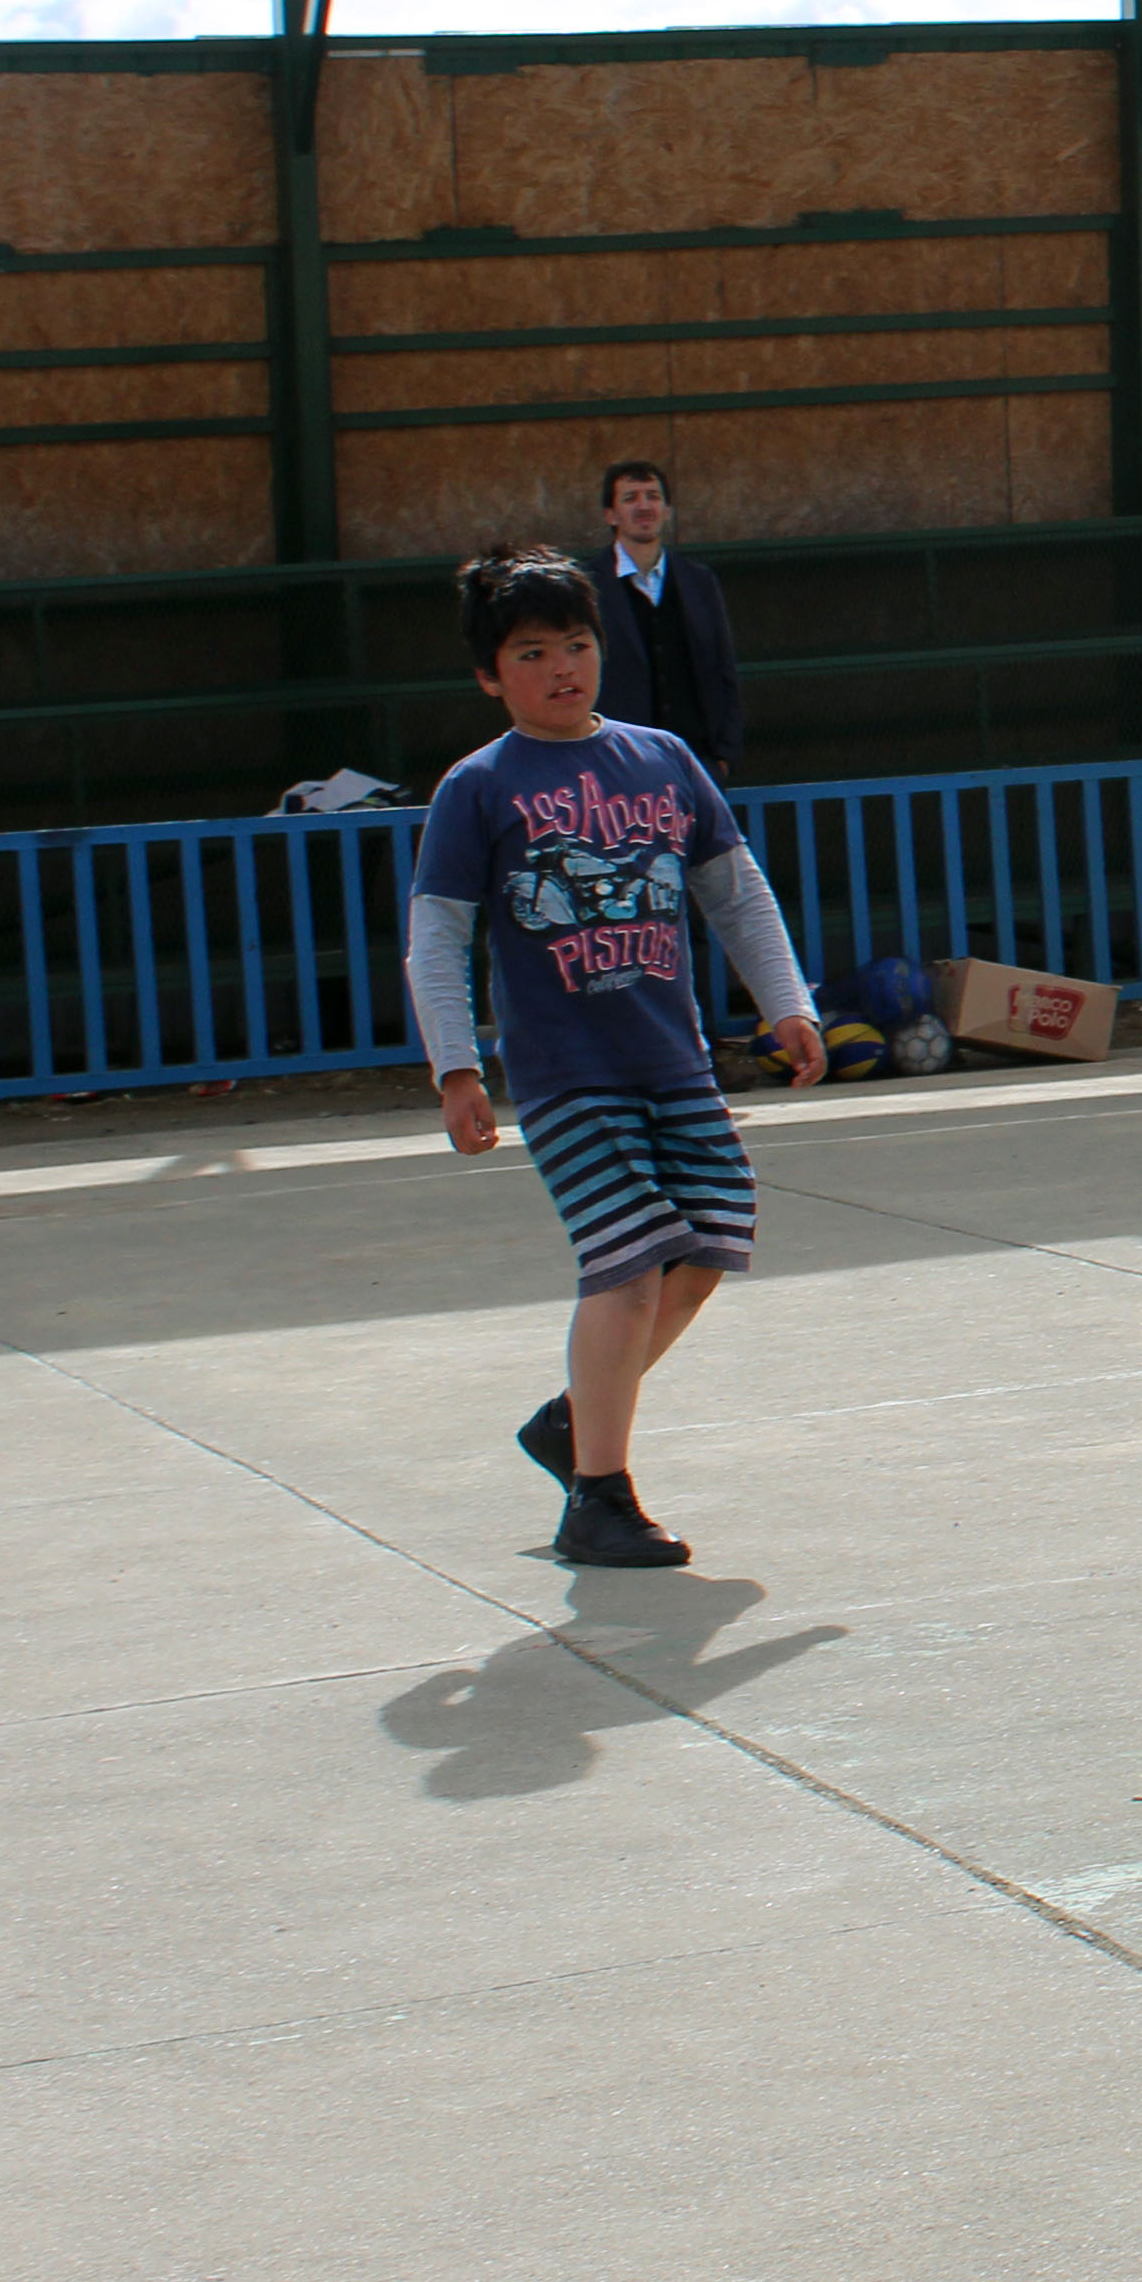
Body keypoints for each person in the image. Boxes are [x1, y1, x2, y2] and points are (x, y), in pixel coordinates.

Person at [404, 545, 826, 1570]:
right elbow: (438, 933)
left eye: (579, 645)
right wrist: (457, 1068)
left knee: (712, 1243)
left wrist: (787, 1003)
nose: (563, 669)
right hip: (567, 1076)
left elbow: (735, 891)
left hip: (672, 1062)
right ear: (489, 675)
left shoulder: (665, 760)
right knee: (630, 1268)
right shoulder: (479, 787)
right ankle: (598, 1496)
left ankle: (571, 1419)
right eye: (534, 652)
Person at [589, 457, 748, 781]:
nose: (644, 506)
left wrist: (724, 756)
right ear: (611, 514)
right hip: (619, 769)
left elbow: (723, 670)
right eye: (630, 498)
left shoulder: (699, 581)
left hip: (697, 766)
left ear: (667, 510)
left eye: (653, 496)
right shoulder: (588, 586)